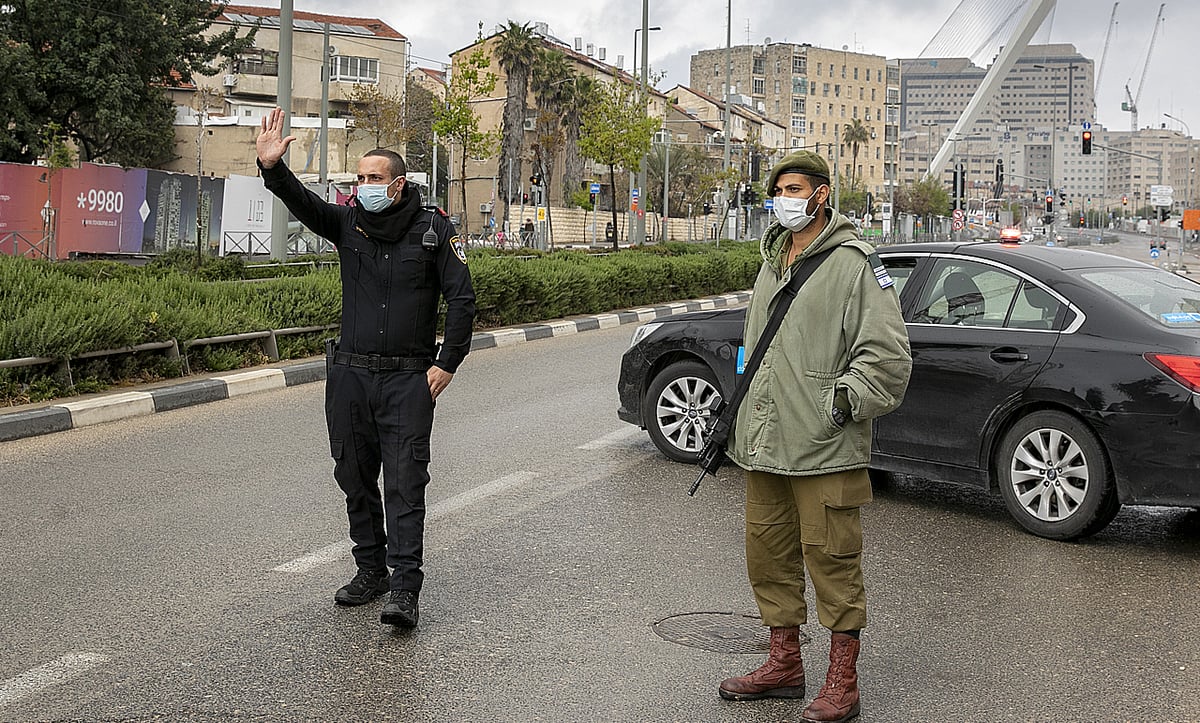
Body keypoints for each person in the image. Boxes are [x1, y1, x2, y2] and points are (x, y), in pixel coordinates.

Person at [255, 107, 475, 628]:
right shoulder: (347, 222)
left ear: (398, 185)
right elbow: (301, 203)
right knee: (354, 477)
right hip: (350, 376)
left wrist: (447, 363)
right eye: (358, 178)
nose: (363, 185)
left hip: (407, 379)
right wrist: (272, 168)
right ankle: (370, 570)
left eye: (373, 178)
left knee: (404, 483)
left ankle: (404, 588)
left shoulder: (433, 231)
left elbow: (462, 300)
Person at [717, 150, 911, 722]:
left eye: (795, 188)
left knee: (833, 561)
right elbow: (758, 344)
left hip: (825, 446)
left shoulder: (854, 264)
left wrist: (841, 404)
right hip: (766, 443)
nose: (784, 199)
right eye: (778, 189)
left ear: (822, 194)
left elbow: (888, 357)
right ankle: (785, 665)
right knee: (768, 555)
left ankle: (842, 683)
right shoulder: (773, 258)